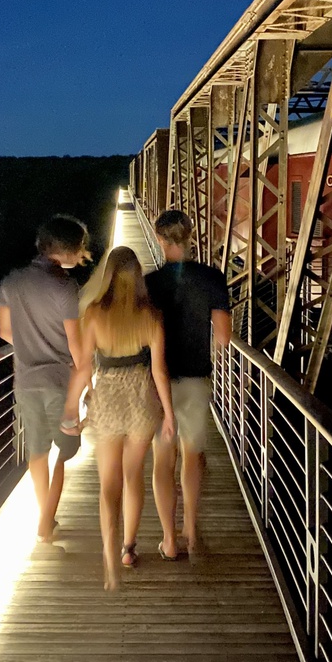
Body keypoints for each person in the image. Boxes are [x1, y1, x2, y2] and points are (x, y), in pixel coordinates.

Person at [61, 246, 175, 590]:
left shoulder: (94, 314)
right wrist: (169, 414)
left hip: (108, 399)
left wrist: (71, 408)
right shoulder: (151, 315)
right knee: (132, 477)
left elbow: (83, 368)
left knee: (108, 485)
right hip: (141, 399)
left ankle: (109, 557)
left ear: (108, 276)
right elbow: (159, 370)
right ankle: (128, 548)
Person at [0, 214, 89, 544]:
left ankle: (44, 515)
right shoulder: (64, 287)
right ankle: (46, 520)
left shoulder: (11, 281)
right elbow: (76, 344)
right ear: (65, 250)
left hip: (25, 380)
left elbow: (5, 331)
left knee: (36, 451)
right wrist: (89, 385)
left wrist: (31, 343)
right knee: (65, 449)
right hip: (60, 382)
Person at [146, 210, 231, 559]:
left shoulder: (149, 283)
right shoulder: (213, 277)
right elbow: (224, 338)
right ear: (191, 236)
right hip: (196, 377)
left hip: (157, 381)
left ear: (160, 240)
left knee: (162, 460)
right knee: (193, 456)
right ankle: (192, 530)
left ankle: (169, 539)